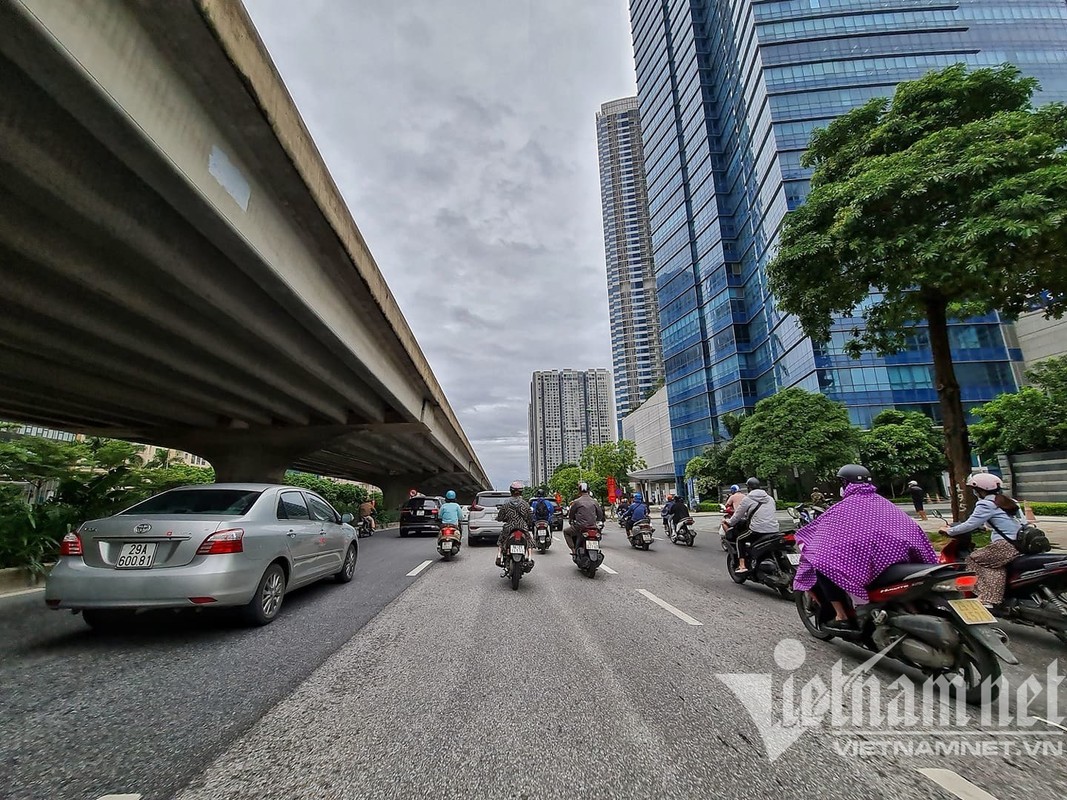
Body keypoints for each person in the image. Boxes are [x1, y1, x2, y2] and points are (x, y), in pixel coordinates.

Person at [794, 465, 938, 630]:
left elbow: (821, 536)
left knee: (821, 565)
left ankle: (841, 616)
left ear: (845, 483)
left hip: (874, 566)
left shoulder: (843, 508)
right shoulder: (885, 504)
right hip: (905, 559)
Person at [938, 473, 1022, 609]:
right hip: (1020, 543)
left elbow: (970, 524)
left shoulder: (985, 504)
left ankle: (989, 598)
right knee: (993, 562)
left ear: (981, 490)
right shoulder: (1008, 501)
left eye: (975, 490)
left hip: (1005, 545)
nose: (974, 492)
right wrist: (984, 527)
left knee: (973, 559)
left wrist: (949, 531)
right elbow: (1014, 522)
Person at [722, 477, 778, 574]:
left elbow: (737, 516)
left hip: (757, 530)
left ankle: (742, 566)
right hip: (774, 529)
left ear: (749, 488)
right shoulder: (770, 498)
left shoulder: (748, 499)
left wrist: (729, 522)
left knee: (740, 539)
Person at [495, 481, 534, 567]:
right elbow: (530, 516)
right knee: (529, 540)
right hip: (522, 526)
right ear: (521, 492)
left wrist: (499, 519)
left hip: (509, 526)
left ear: (511, 491)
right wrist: (529, 523)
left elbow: (500, 516)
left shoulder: (506, 503)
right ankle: (530, 557)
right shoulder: (525, 504)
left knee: (501, 540)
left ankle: (499, 556)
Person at [564, 481, 605, 555]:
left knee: (566, 532)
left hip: (580, 527)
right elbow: (600, 515)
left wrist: (571, 520)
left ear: (579, 491)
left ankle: (573, 550)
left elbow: (571, 514)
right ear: (588, 491)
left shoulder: (576, 502)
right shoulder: (594, 502)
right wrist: (597, 520)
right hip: (593, 526)